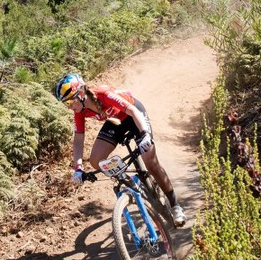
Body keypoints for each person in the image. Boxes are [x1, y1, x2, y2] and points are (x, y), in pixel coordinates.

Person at [54, 73, 187, 227]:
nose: (69, 106)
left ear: (82, 94)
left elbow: (132, 110)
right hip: (116, 122)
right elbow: (78, 138)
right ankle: (128, 180)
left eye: (70, 100)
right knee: (96, 161)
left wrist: (144, 135)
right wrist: (78, 167)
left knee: (150, 163)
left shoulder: (103, 95)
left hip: (133, 115)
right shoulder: (80, 111)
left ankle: (175, 205)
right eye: (66, 103)